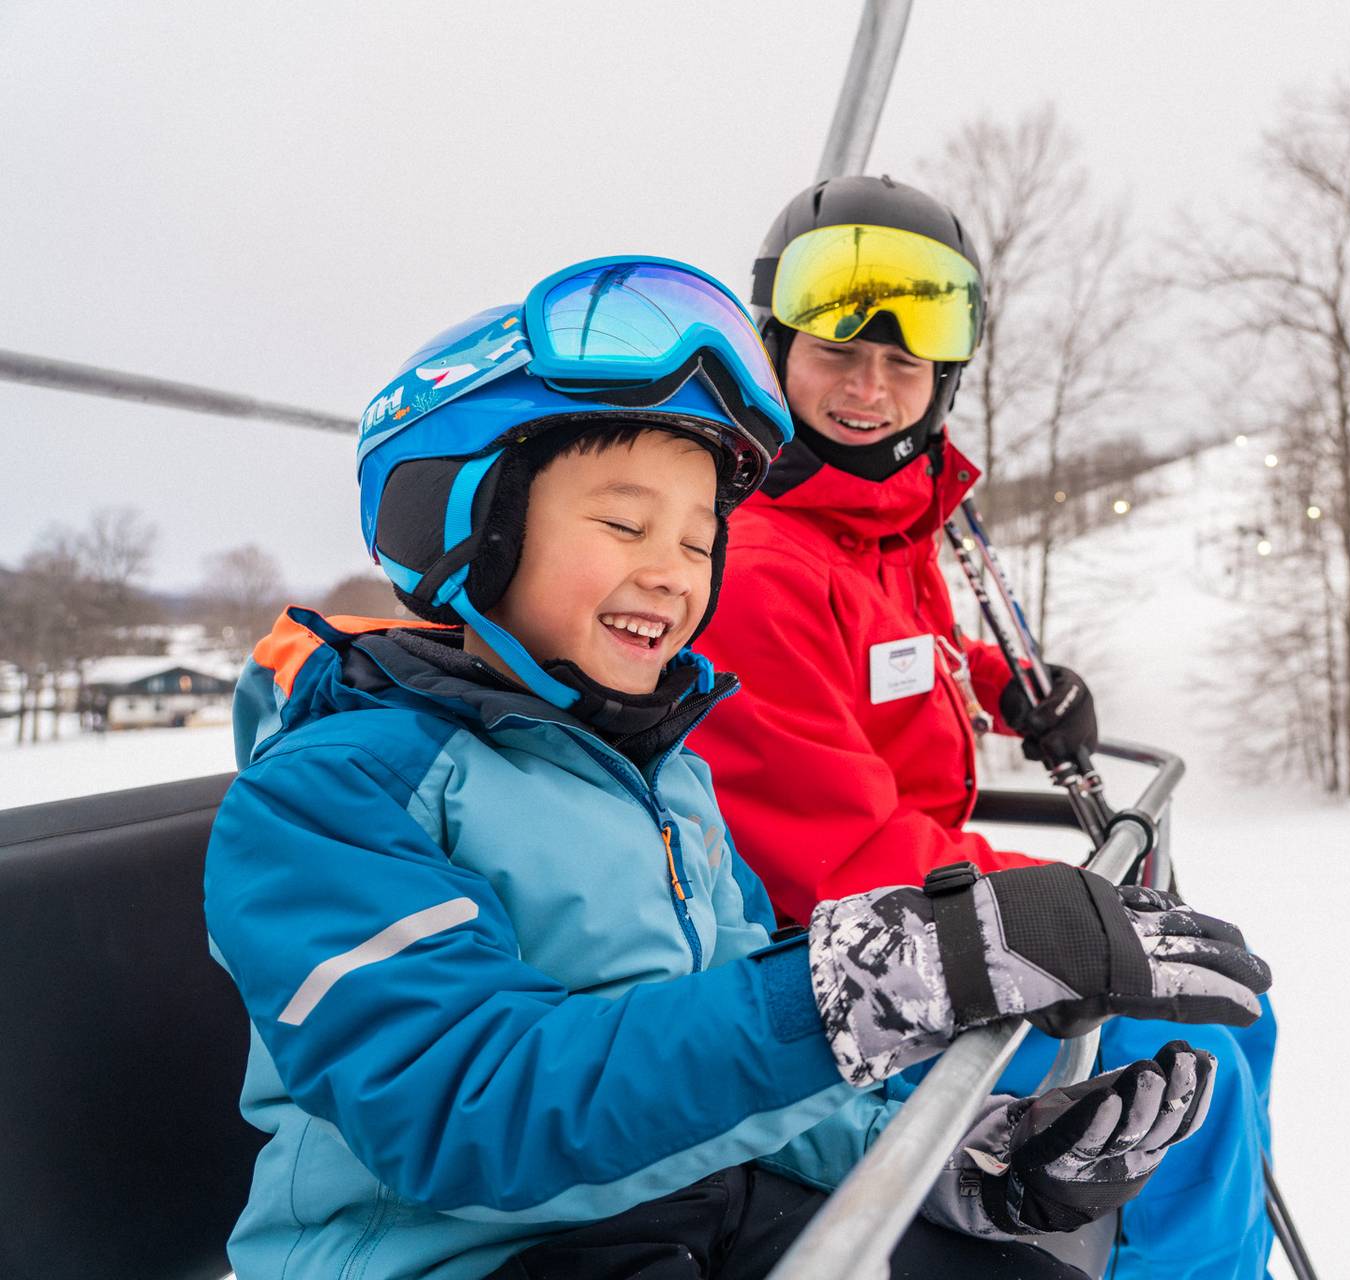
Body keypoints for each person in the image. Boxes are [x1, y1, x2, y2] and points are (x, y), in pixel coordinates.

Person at [201, 257, 1273, 1280]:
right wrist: (888, 975)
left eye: (699, 537)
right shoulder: (332, 796)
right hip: (469, 1255)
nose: (673, 572)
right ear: (467, 524)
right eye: (625, 522)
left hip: (692, 1208)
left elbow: (751, 1080)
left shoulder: (664, 779)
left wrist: (966, 1164)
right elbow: (467, 1109)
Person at [695, 178, 1280, 1280]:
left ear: (942, 381)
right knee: (1190, 1055)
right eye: (837, 354)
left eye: (903, 364)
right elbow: (835, 854)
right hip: (842, 964)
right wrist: (1063, 909)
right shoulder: (764, 563)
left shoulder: (875, 527)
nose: (870, 389)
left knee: (1229, 1015)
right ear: (776, 354)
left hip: (916, 900)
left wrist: (1011, 686)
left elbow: (899, 656)